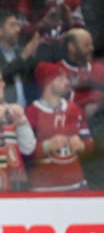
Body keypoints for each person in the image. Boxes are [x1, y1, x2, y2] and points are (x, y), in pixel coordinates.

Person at [25, 62, 93, 191]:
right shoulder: (30, 113)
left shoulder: (75, 109)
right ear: (48, 81)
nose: (67, 82)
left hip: (77, 187)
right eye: (61, 78)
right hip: (45, 190)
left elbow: (89, 144)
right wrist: (47, 146)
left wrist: (82, 146)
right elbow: (24, 154)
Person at [57, 28, 104, 119]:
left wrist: (98, 103)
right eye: (86, 45)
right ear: (71, 47)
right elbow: (59, 100)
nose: (91, 48)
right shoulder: (56, 70)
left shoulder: (100, 69)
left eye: (91, 44)